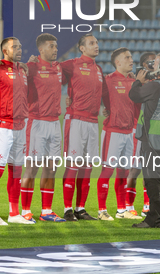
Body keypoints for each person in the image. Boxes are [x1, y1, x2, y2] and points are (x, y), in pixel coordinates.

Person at [129, 52, 160, 228]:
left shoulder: (155, 86)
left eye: (156, 63)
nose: (152, 65)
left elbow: (134, 95)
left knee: (152, 178)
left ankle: (153, 218)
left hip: (152, 139)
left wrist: (138, 81)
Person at [0, 37, 33, 225]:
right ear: (5, 50)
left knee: (16, 172)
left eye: (21, 46)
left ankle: (14, 214)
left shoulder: (22, 69)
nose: (19, 49)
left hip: (21, 125)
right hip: (2, 125)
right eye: (15, 47)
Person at [21, 34, 65, 222]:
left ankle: (47, 211)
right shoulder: (30, 67)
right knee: (32, 169)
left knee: (51, 168)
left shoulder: (59, 67)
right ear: (41, 50)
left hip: (55, 123)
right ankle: (24, 211)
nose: (55, 49)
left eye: (56, 46)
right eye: (51, 46)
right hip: (36, 122)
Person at [60, 34, 103, 221]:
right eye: (92, 43)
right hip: (76, 119)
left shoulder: (99, 69)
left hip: (93, 122)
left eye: (97, 43)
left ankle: (81, 208)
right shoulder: (71, 64)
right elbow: (50, 74)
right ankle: (67, 209)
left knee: (87, 167)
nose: (96, 45)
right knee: (74, 164)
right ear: (82, 48)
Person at [97, 48, 142, 221]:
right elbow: (95, 96)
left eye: (131, 56)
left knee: (123, 172)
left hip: (129, 132)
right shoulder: (108, 80)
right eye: (127, 57)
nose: (131, 60)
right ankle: (102, 210)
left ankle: (122, 210)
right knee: (107, 171)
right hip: (113, 132)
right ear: (118, 62)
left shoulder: (134, 81)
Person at [126, 52, 155, 217]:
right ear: (144, 64)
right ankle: (128, 206)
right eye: (152, 62)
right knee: (134, 170)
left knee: (149, 170)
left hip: (154, 131)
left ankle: (147, 205)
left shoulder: (157, 82)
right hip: (138, 130)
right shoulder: (135, 82)